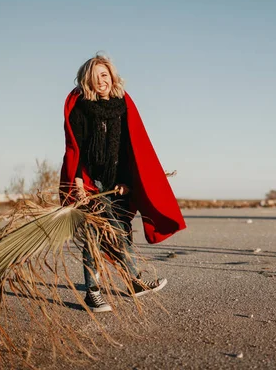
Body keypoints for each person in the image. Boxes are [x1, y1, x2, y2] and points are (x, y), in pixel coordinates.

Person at [60, 54, 186, 312]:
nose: (101, 81)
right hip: (91, 184)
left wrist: (128, 182)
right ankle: (94, 292)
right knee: (95, 235)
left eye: (104, 75)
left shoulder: (122, 106)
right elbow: (76, 149)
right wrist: (80, 187)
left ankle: (134, 283)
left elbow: (132, 149)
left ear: (112, 77)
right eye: (95, 77)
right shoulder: (81, 109)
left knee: (121, 230)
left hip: (117, 183)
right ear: (87, 81)